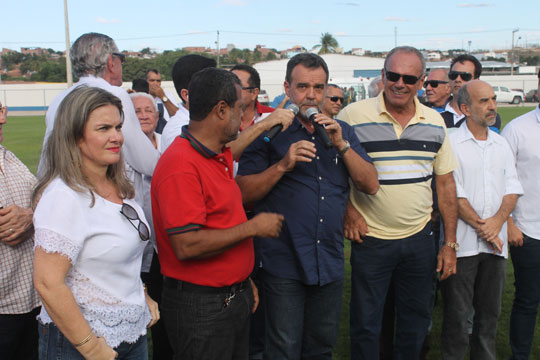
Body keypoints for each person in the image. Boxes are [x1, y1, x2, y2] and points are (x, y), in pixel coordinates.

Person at [236, 53, 379, 359]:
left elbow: (370, 184)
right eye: (303, 87)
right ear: (287, 89)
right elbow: (243, 193)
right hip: (283, 262)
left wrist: (343, 145)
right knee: (283, 349)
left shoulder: (340, 131)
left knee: (321, 348)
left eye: (318, 87)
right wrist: (282, 166)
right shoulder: (269, 131)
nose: (311, 95)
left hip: (327, 261)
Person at [152, 68, 285, 359]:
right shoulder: (181, 165)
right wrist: (252, 228)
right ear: (221, 110)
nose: (243, 114)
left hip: (228, 296)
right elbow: (187, 245)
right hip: (202, 308)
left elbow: (233, 151)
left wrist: (241, 279)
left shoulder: (215, 153)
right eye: (240, 107)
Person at [339, 46, 458, 359]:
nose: (399, 83)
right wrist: (349, 212)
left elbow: (445, 184)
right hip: (371, 240)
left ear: (421, 82)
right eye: (393, 75)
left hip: (420, 240)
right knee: (366, 324)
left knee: (415, 322)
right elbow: (331, 172)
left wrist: (450, 244)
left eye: (409, 77)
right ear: (382, 76)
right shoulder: (352, 115)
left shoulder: (434, 121)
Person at [33, 86, 159, 359]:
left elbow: (117, 256)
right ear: (76, 136)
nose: (117, 137)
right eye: (104, 128)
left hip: (131, 334)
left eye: (118, 127)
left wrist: (142, 295)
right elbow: (47, 282)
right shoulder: (64, 197)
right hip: (81, 341)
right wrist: (91, 347)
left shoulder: (117, 187)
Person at [441, 80, 522, 359]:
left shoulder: (501, 144)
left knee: (489, 315)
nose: (492, 107)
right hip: (462, 246)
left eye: (493, 100)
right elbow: (453, 193)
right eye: (484, 101)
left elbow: (512, 189)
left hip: (495, 247)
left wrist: (497, 222)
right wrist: (484, 228)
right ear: (465, 108)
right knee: (457, 316)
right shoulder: (450, 143)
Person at [39, 32, 159, 182]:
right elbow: (143, 159)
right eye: (121, 59)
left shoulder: (59, 98)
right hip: (105, 192)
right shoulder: (114, 95)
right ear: (111, 62)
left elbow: (46, 161)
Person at [129, 92, 172, 360]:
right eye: (137, 111)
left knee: (164, 310)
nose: (144, 115)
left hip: (164, 244)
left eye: (148, 110)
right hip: (134, 247)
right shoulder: (121, 146)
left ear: (157, 117)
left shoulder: (167, 143)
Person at [501, 69, 540, 360]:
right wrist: (510, 223)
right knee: (528, 300)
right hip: (529, 230)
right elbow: (503, 178)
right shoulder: (517, 128)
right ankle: (520, 355)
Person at [0, 101, 41, 360]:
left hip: (32, 303)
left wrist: (32, 217)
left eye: (2, 110)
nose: (3, 119)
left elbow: (41, 201)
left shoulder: (8, 157)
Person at [160, 55, 216, 152]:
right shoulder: (177, 131)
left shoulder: (208, 121)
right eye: (211, 86)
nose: (218, 90)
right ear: (187, 95)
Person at [441, 54, 501, 132]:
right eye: (453, 75)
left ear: (477, 80)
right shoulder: (434, 113)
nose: (458, 79)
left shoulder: (489, 115)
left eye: (465, 76)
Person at [231, 64, 275, 130]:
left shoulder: (272, 117)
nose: (231, 91)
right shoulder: (219, 120)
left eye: (238, 87)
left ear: (254, 93)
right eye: (229, 86)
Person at [146, 69, 178, 134]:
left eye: (158, 81)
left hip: (167, 132)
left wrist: (163, 97)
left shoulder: (167, 95)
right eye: (152, 80)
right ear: (146, 81)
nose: (156, 84)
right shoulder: (142, 97)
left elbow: (177, 115)